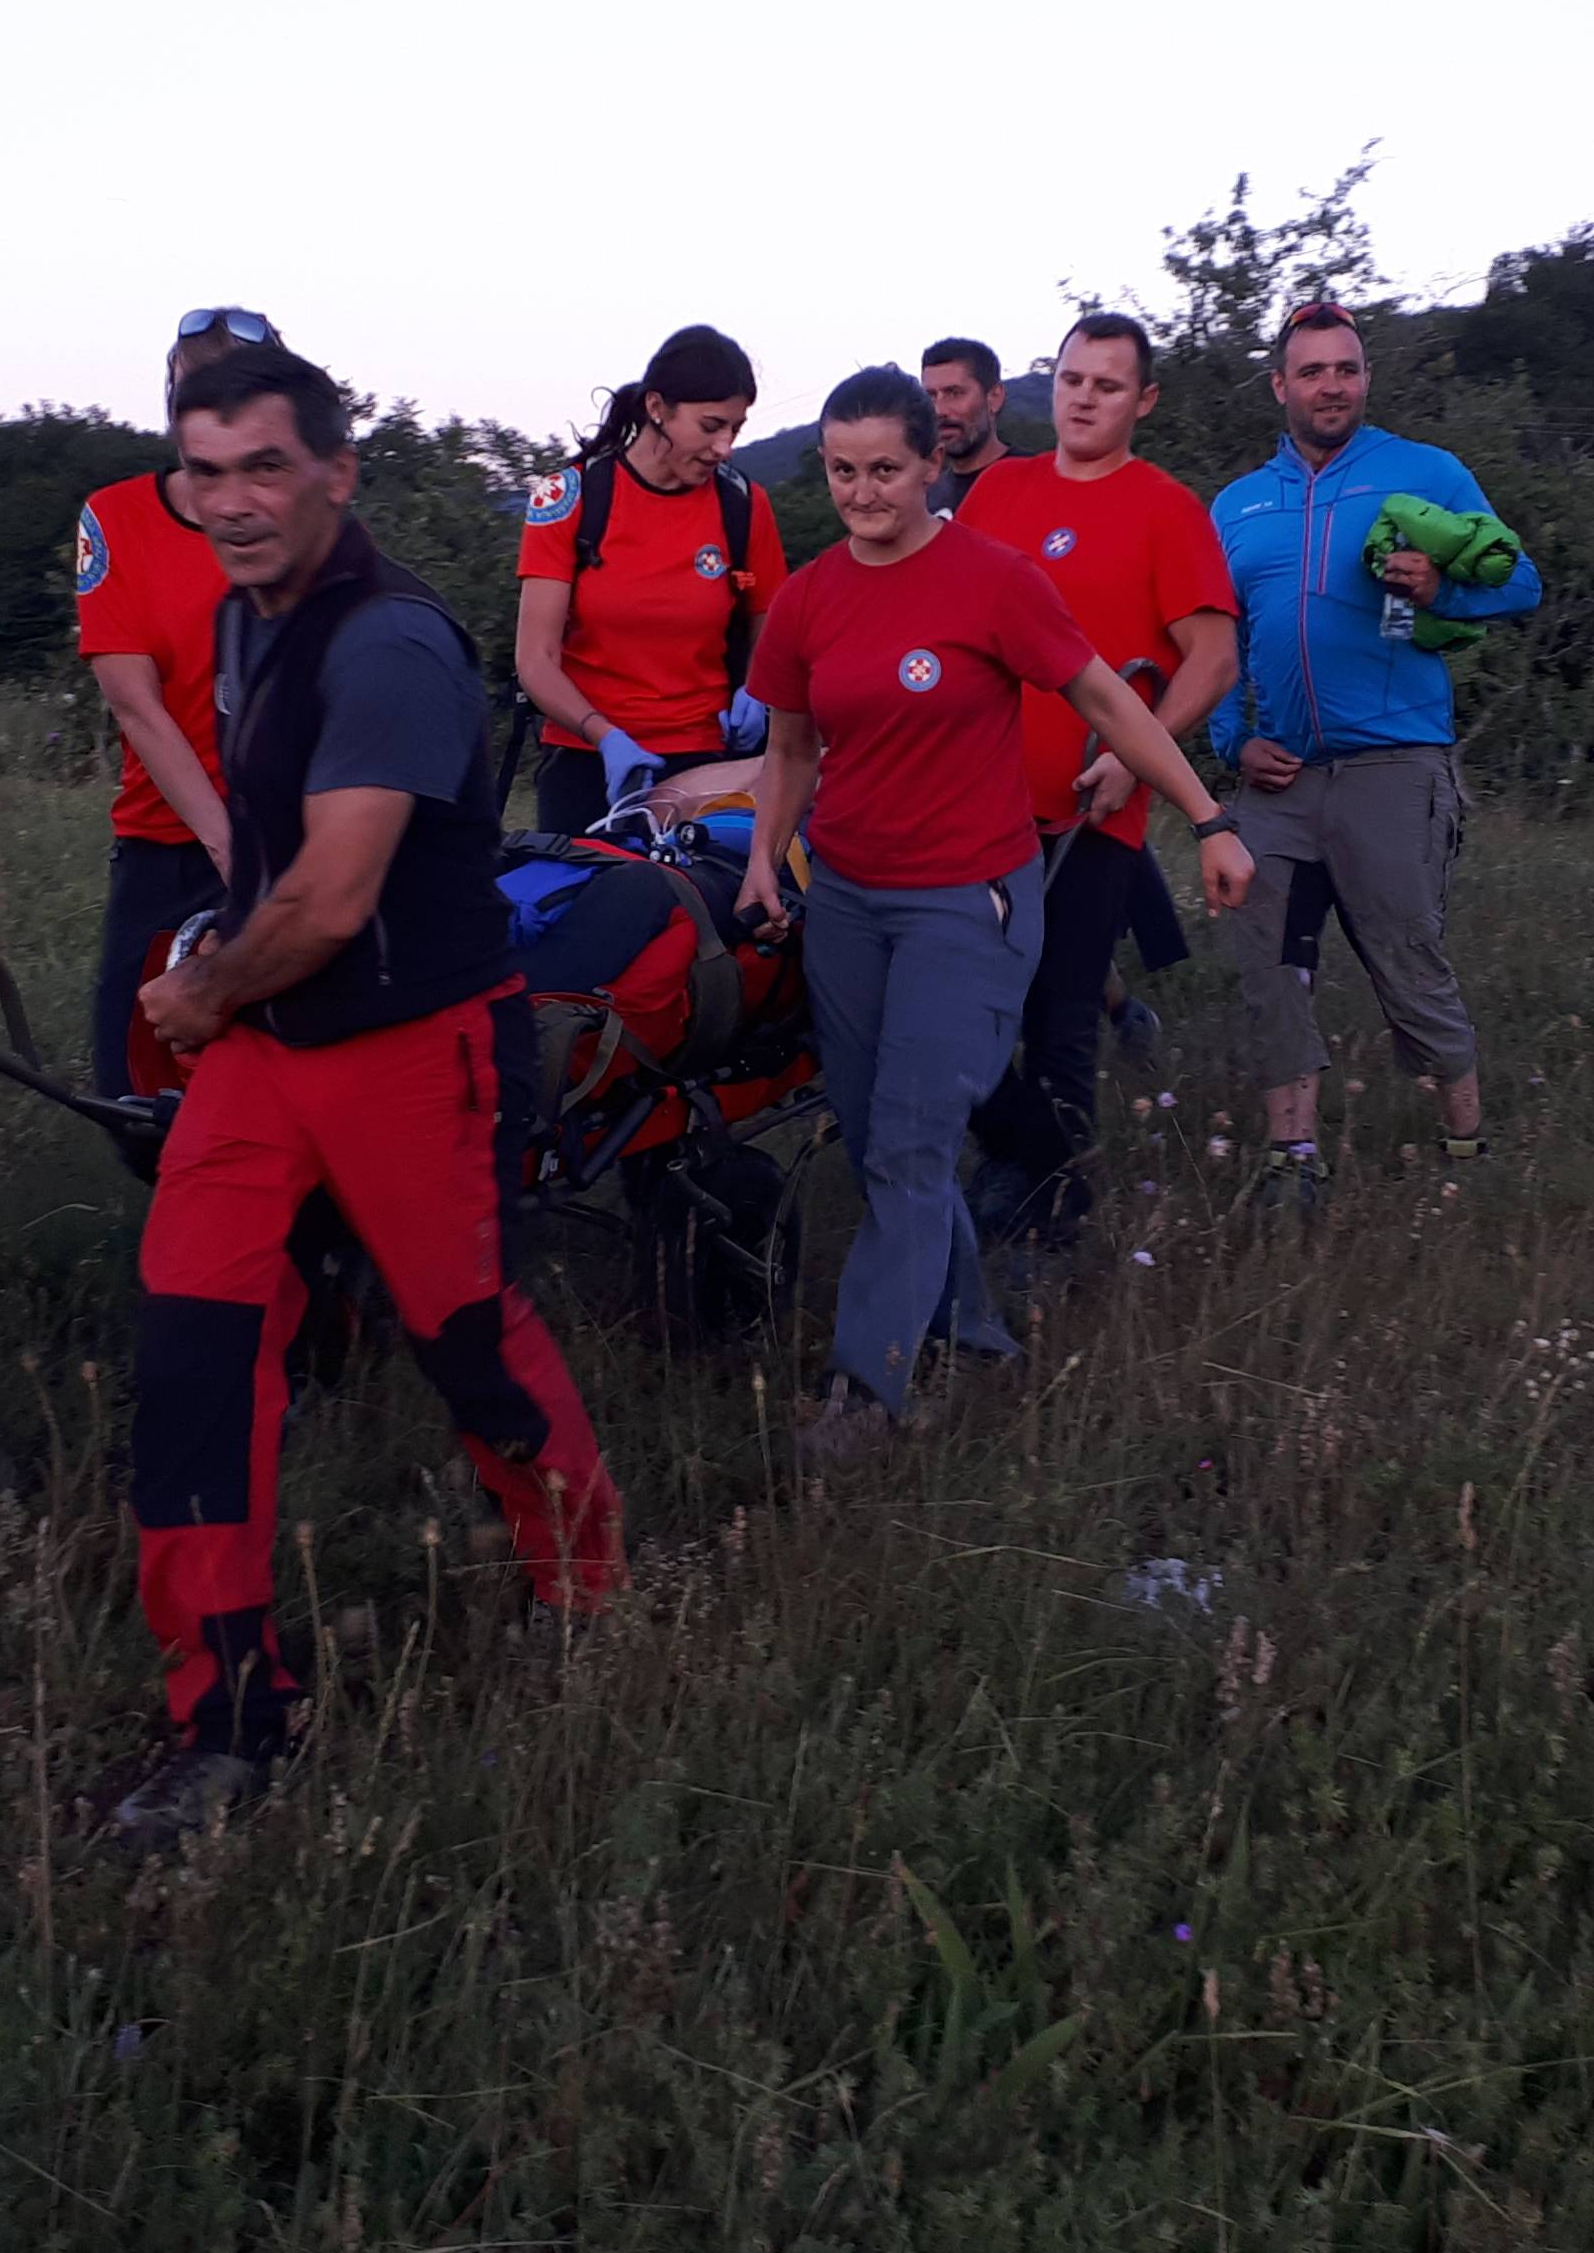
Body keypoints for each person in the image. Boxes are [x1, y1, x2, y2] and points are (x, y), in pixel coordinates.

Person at [117, 346, 625, 1840]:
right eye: (202, 472)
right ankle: (227, 1718)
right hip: (272, 1051)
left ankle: (589, 1597)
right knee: (192, 1359)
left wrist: (203, 991)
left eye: (263, 467)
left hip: (414, 1045)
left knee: (468, 1342)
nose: (231, 502)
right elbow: (277, 864)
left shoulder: (394, 642)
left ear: (337, 471)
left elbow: (337, 897)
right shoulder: (236, 617)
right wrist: (220, 955)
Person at [736, 365, 1252, 1462]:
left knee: (913, 1146)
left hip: (966, 900)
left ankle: (866, 1397)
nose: (865, 493)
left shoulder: (994, 579)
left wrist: (1207, 816)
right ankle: (973, 1335)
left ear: (934, 463)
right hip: (849, 902)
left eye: (885, 469)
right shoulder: (811, 597)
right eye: (840, 472)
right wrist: (765, 862)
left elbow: (1109, 700)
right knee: (883, 1142)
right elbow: (789, 747)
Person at [1210, 300, 1541, 1197]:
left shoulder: (1424, 472)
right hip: (1278, 778)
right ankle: (1294, 1162)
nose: (1331, 385)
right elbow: (1215, 644)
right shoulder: (1238, 505)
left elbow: (1520, 581)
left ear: (1366, 379)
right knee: (1270, 962)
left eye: (1346, 369)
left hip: (1395, 766)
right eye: (1311, 371)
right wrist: (1232, 740)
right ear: (1280, 385)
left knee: (1407, 961)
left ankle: (1465, 1144)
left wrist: (1440, 590)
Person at [961, 312, 1239, 1241]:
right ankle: (1014, 1164)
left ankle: (1054, 1217)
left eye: (1108, 385)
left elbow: (1212, 658)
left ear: (1143, 400)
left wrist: (1136, 752)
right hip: (974, 804)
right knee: (960, 1010)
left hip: (1093, 812)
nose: (1085, 397)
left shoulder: (1166, 508)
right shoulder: (999, 491)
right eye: (1074, 379)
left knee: (1061, 1015)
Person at [76, 306, 284, 1118]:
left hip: (292, 833)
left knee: (279, 1067)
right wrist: (226, 843)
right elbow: (136, 703)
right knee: (133, 1089)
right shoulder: (117, 517)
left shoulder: (300, 521)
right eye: (192, 397)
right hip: (168, 838)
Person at [513, 325, 787, 832]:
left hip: (707, 761)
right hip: (587, 760)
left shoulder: (744, 506)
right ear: (657, 408)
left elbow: (769, 629)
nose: (724, 447)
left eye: (736, 428)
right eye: (710, 426)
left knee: (695, 909)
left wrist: (759, 688)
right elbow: (536, 659)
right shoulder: (570, 498)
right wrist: (604, 736)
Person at [922, 335, 1012, 514]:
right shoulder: (923, 499)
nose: (939, 410)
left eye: (954, 393)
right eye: (931, 396)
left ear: (994, 397)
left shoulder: (1036, 481)